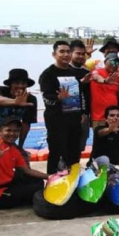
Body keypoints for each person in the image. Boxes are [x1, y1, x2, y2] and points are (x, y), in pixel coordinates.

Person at [39, 40, 90, 174]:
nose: (66, 54)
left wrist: (84, 113)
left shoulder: (75, 73)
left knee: (74, 153)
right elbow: (46, 97)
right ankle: (51, 180)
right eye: (62, 52)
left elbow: (82, 95)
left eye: (68, 52)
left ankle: (72, 180)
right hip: (56, 120)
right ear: (54, 54)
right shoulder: (48, 74)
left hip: (74, 119)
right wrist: (58, 98)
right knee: (56, 152)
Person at [0, 117, 48, 209]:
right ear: (0, 131)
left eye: (16, 131)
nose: (12, 134)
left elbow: (27, 171)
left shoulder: (14, 149)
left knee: (37, 181)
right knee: (36, 190)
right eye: (8, 130)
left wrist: (50, 176)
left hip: (6, 185)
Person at [69, 40, 92, 152]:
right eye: (78, 53)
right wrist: (80, 82)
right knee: (66, 147)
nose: (81, 56)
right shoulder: (65, 70)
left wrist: (86, 114)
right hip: (69, 116)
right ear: (70, 53)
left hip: (84, 116)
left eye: (83, 54)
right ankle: (63, 170)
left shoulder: (86, 71)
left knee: (79, 147)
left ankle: (74, 169)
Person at [89, 52, 119, 128]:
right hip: (98, 117)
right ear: (105, 62)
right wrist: (105, 81)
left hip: (114, 117)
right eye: (112, 61)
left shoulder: (118, 76)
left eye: (117, 62)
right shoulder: (97, 71)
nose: (114, 64)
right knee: (99, 139)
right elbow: (96, 77)